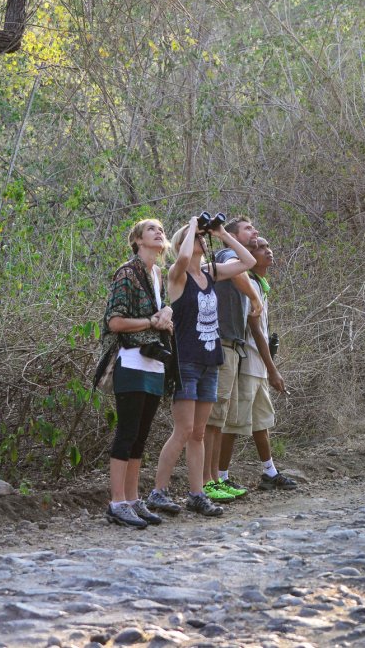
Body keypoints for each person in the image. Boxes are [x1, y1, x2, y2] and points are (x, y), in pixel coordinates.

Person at [146, 216, 255, 517]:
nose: (201, 242)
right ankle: (158, 492)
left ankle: (197, 494)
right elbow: (181, 257)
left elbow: (246, 261)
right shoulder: (177, 275)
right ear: (184, 242)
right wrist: (193, 223)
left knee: (198, 433)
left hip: (210, 361)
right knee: (182, 431)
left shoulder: (211, 273)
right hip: (186, 362)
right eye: (197, 238)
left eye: (202, 239)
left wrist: (221, 233)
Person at [100, 219, 175, 529]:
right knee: (127, 433)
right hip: (131, 361)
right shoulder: (126, 273)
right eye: (151, 230)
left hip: (155, 363)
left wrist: (167, 314)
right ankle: (116, 502)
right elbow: (114, 322)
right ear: (138, 241)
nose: (159, 233)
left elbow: (165, 309)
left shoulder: (159, 274)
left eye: (160, 230)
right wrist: (151, 322)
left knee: (141, 437)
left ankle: (132, 499)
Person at [203, 215, 264, 501]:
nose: (254, 232)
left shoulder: (235, 255)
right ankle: (207, 481)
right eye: (248, 229)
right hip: (220, 344)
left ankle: (215, 479)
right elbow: (238, 273)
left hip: (231, 346)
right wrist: (254, 297)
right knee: (212, 418)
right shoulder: (228, 253)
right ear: (233, 235)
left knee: (219, 419)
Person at [228, 236, 296, 490]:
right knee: (233, 424)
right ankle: (221, 477)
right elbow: (255, 330)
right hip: (248, 363)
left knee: (261, 421)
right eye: (260, 248)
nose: (268, 251)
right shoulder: (247, 284)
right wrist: (273, 369)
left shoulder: (260, 283)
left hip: (258, 365)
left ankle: (269, 471)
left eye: (268, 246)